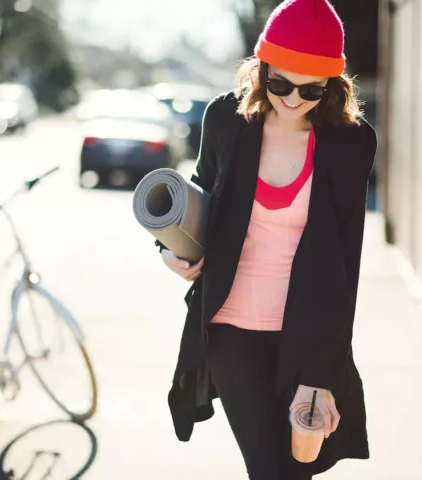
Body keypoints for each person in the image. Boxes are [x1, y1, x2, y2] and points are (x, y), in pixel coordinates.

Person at [155, 0, 378, 478]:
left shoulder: (350, 142)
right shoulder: (225, 121)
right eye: (280, 84)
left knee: (296, 468)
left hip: (309, 334)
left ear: (332, 84)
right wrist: (173, 249)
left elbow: (346, 261)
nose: (293, 99)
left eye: (311, 89)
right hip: (231, 329)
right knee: (269, 468)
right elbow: (200, 201)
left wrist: (323, 373)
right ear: (261, 69)